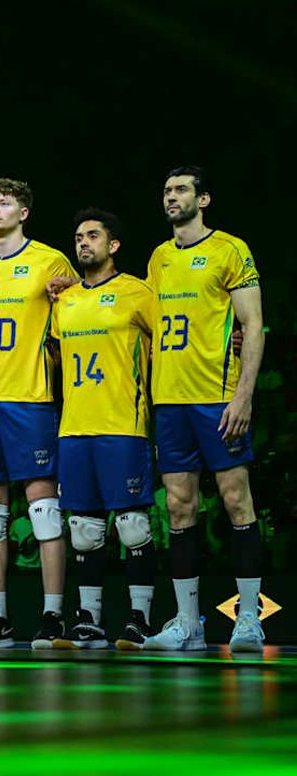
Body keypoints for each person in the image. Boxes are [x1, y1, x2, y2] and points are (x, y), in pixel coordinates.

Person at [143, 166, 266, 652]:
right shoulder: (158, 258)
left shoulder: (230, 250)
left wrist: (244, 396)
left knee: (237, 500)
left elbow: (253, 326)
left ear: (204, 198)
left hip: (217, 398)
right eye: (167, 190)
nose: (171, 198)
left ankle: (250, 618)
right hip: (169, 400)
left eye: (180, 190)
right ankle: (188, 623)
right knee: (178, 507)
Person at [0, 179, 78, 649]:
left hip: (31, 397)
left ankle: (52, 616)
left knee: (44, 512)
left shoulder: (50, 261)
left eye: (5, 202)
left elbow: (75, 321)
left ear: (24, 212)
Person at [49, 209, 158, 650]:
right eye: (78, 236)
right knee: (84, 529)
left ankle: (140, 619)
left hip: (123, 425)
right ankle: (89, 618)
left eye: (93, 235)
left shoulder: (137, 292)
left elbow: (171, 339)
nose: (83, 243)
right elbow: (55, 355)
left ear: (113, 246)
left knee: (132, 526)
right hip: (74, 427)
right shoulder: (66, 301)